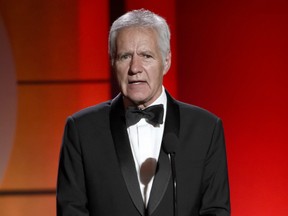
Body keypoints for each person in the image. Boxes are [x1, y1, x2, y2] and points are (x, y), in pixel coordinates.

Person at [57, 9, 230, 216]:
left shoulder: (205, 129)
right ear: (112, 61)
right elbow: (71, 210)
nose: (135, 68)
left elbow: (215, 210)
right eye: (125, 56)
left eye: (146, 56)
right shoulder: (81, 130)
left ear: (166, 61)